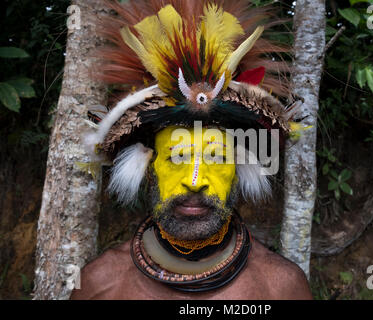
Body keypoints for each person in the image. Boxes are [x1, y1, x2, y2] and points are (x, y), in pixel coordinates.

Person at [71, 0, 312, 300]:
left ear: (240, 166)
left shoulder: (281, 287)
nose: (195, 181)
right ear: (147, 165)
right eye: (177, 157)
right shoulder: (99, 285)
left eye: (216, 158)